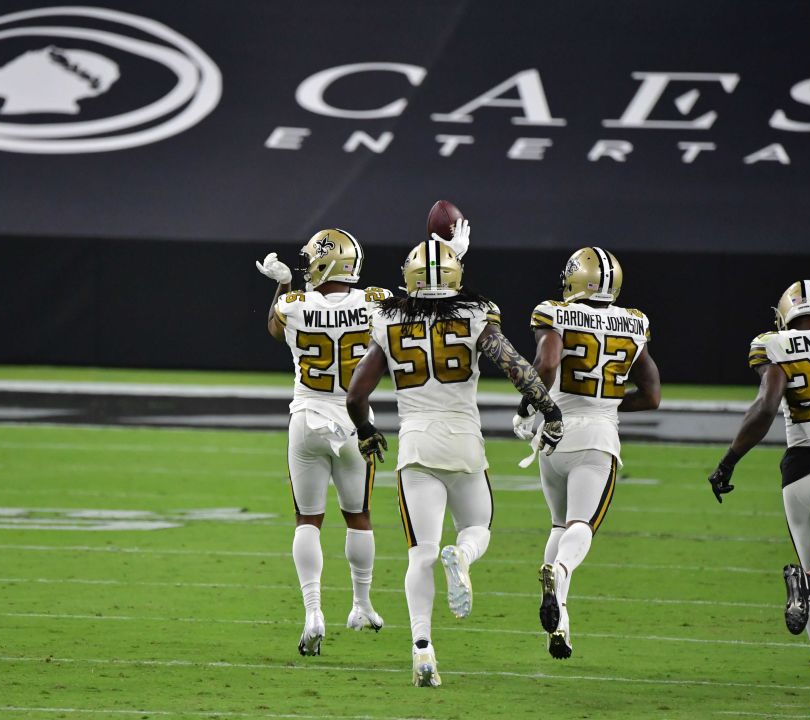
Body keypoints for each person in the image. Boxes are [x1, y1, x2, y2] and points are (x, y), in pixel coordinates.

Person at [346, 223, 563, 687]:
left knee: (419, 554)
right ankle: (462, 555)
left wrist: (366, 432)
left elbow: (355, 394)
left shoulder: (387, 318)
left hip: (416, 445)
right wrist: (548, 407)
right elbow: (516, 367)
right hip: (465, 441)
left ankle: (422, 650)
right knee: (478, 528)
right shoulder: (477, 313)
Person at [513, 247, 660, 660]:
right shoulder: (634, 322)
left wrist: (529, 406)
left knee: (559, 526)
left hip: (554, 433)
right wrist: (609, 406)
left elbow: (545, 364)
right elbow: (652, 396)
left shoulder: (554, 311)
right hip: (596, 435)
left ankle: (559, 624)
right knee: (582, 526)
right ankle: (557, 575)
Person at [256, 230, 391, 656]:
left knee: (307, 521)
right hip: (355, 421)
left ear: (320, 264)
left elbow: (275, 330)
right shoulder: (377, 301)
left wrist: (282, 285)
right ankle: (362, 604)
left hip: (307, 420)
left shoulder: (295, 305)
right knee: (359, 517)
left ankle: (314, 612)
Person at [707, 280, 810, 708]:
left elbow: (766, 406)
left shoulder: (774, 343)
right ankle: (807, 581)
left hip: (798, 473)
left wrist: (729, 460)